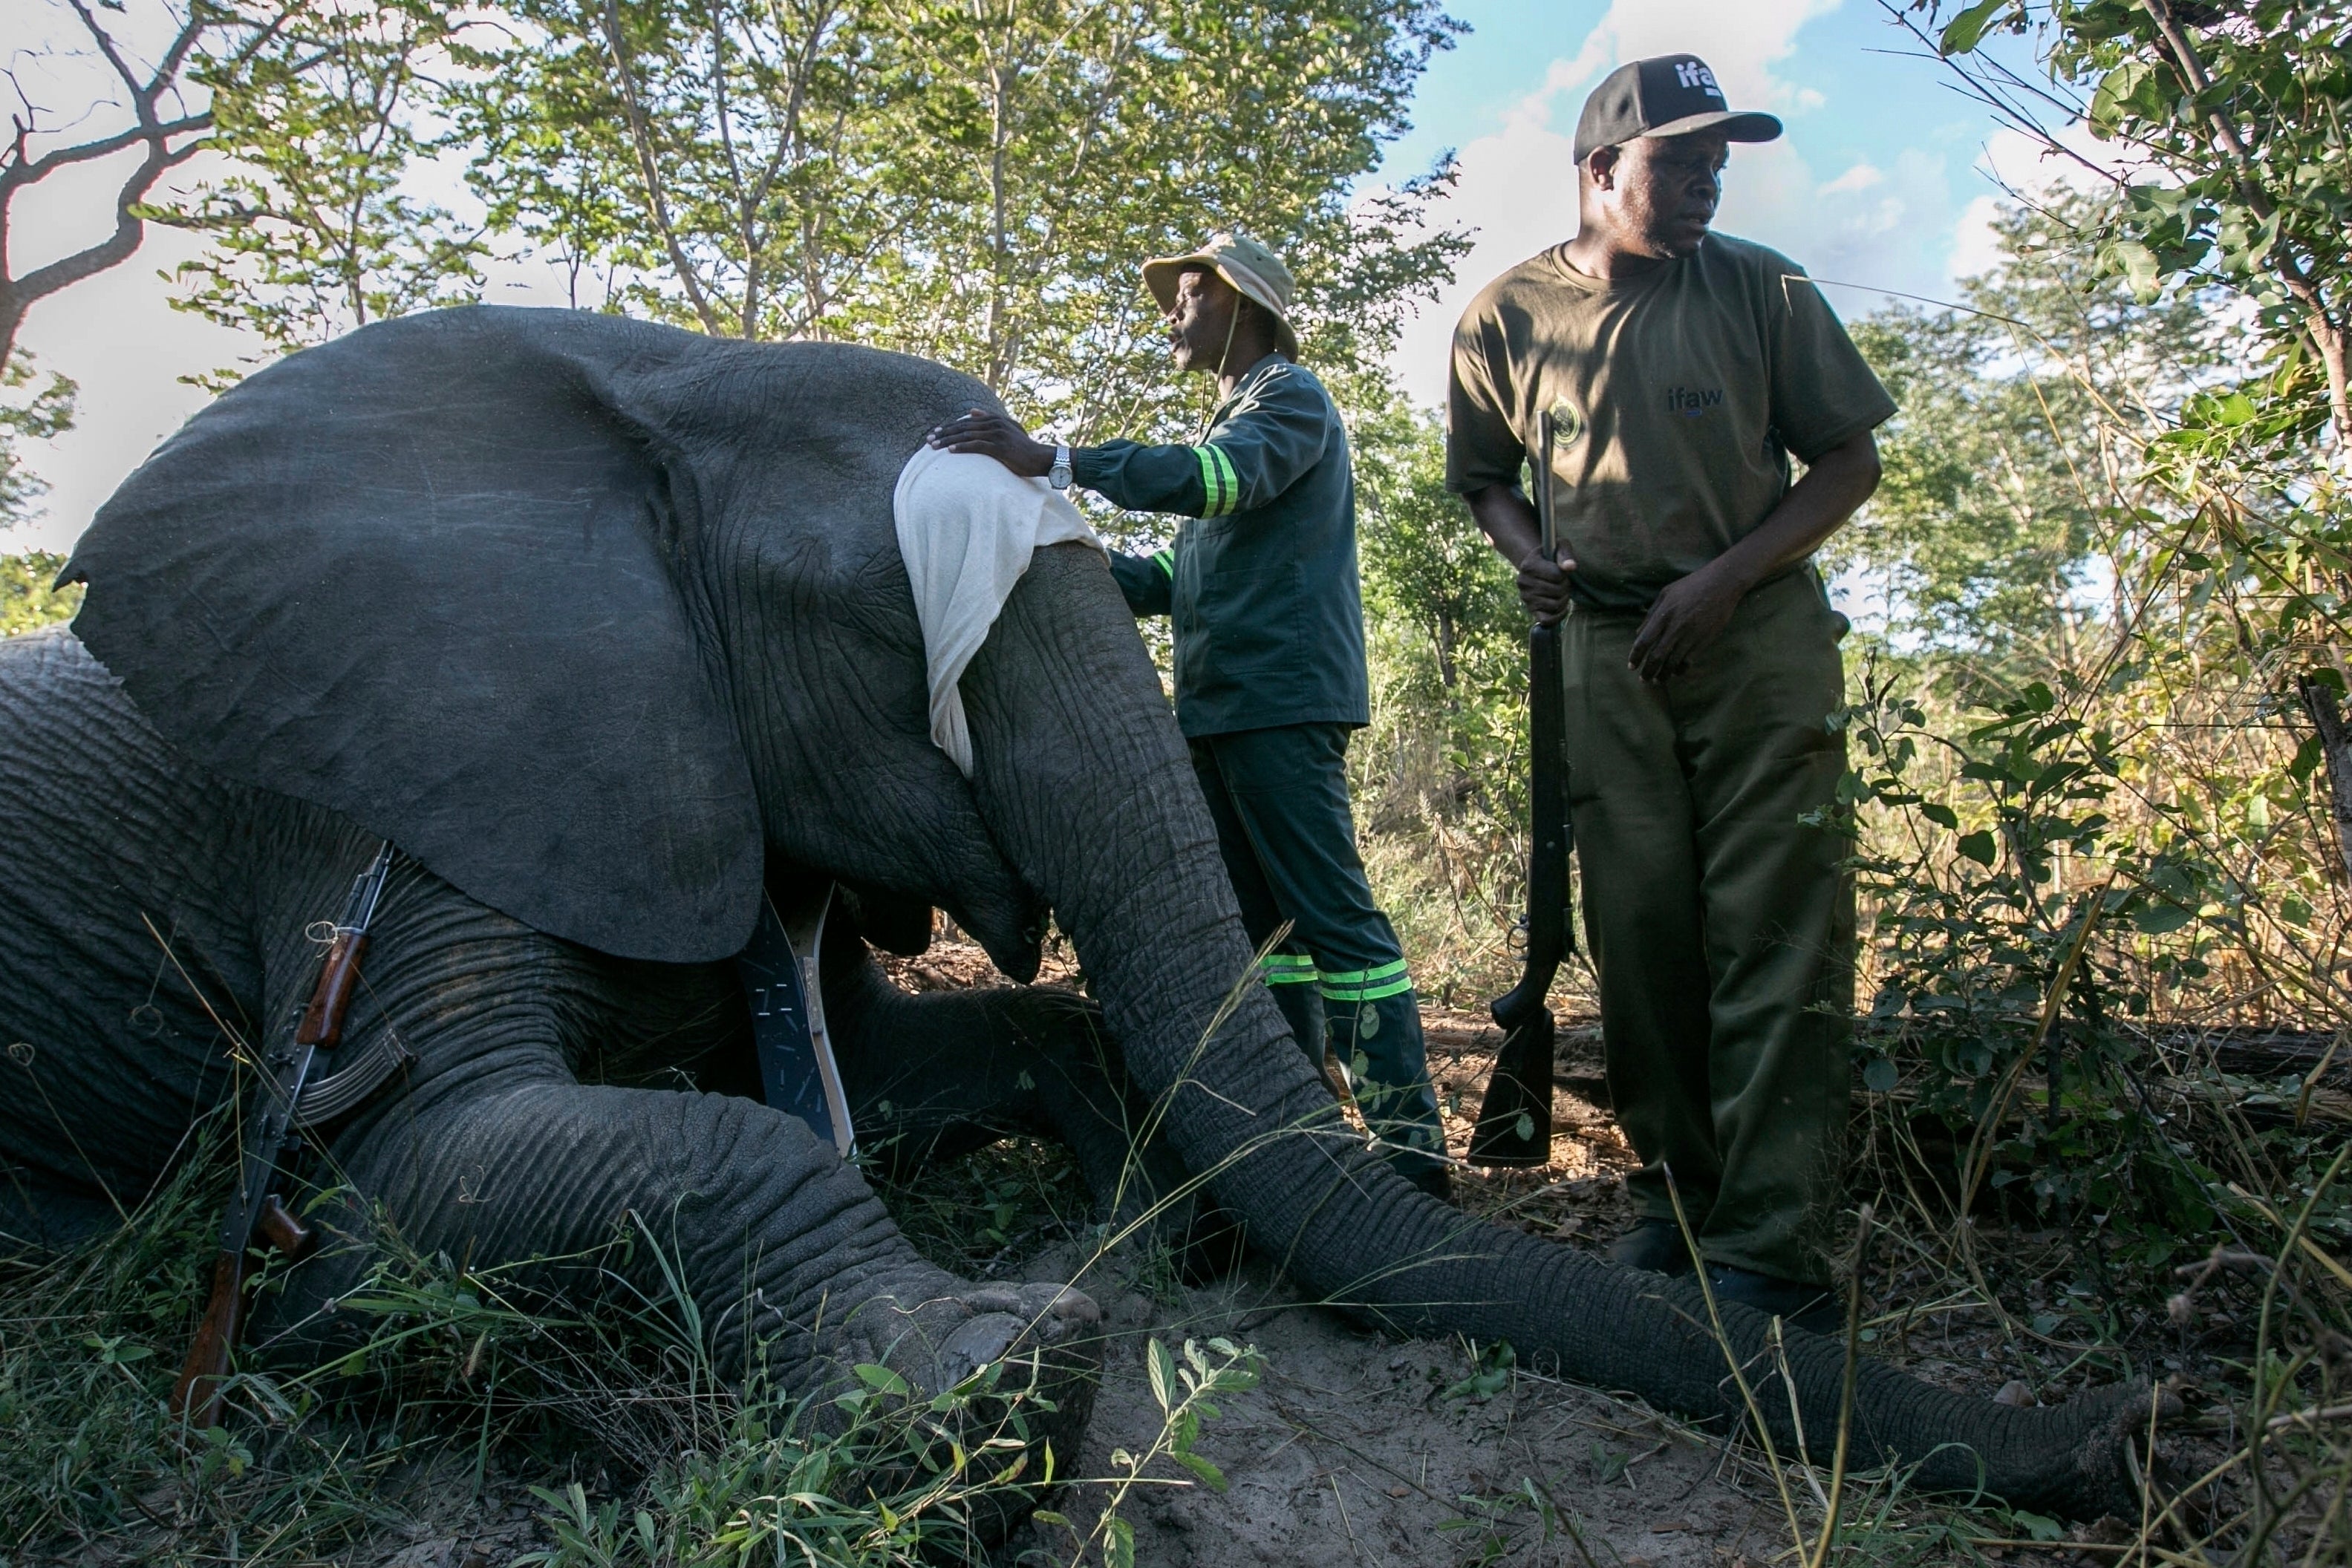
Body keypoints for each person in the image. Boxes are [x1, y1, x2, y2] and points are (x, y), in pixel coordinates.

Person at [1447, 54, 1895, 1327]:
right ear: (1600, 171)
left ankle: (1776, 1241)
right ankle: (1681, 1201)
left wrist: (1723, 582)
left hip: (1753, 641)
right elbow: (1483, 474)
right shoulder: (1505, 316)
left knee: (1775, 924)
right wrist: (1526, 554)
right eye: (1681, 161)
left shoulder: (1764, 287)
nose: (1709, 182)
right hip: (1602, 652)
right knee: (1642, 939)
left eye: (1719, 162)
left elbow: (1847, 459)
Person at [928, 232, 1450, 1197]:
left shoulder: (1287, 401)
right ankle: (1305, 1143)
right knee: (1271, 939)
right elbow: (1179, 576)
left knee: (1337, 925)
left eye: (1190, 293)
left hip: (1280, 707)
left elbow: (1218, 484)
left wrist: (1058, 461)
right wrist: (1048, 560)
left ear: (1242, 303)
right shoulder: (1238, 419)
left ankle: (1414, 1170)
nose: (1173, 310)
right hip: (1224, 714)